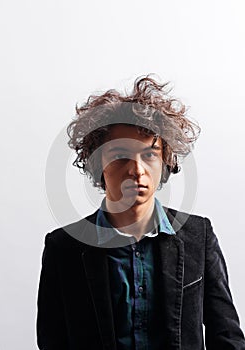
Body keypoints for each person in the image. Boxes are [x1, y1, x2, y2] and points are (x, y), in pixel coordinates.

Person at [37, 76, 245, 350]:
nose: (137, 170)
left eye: (149, 155)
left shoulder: (198, 236)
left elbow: (227, 337)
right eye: (121, 155)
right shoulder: (64, 247)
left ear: (165, 160)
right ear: (98, 163)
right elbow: (53, 342)